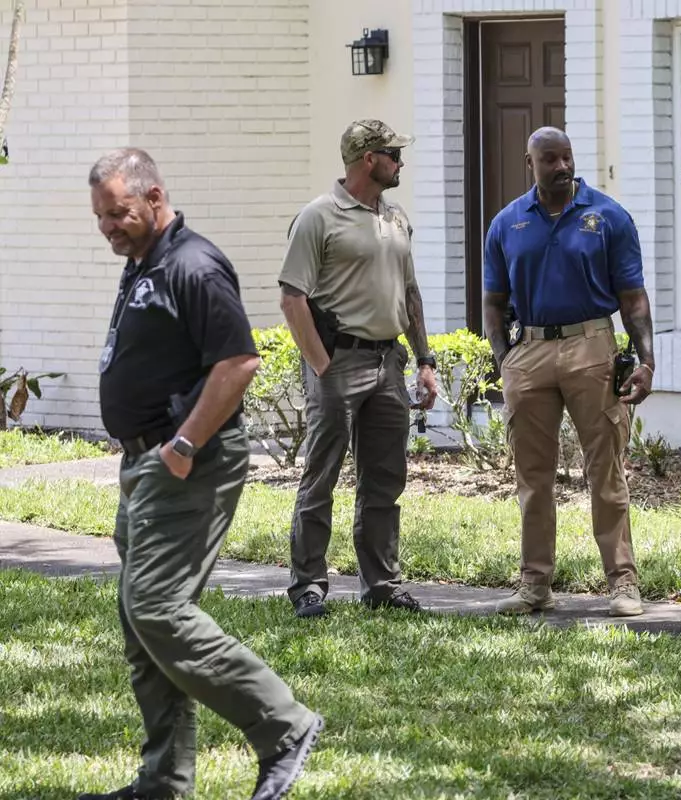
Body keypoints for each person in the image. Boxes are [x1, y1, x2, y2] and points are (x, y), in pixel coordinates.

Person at [83, 148, 323, 800]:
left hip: (189, 460)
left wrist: (184, 445)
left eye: (118, 213)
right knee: (141, 623)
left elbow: (239, 362)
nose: (108, 227)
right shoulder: (145, 263)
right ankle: (164, 780)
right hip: (145, 460)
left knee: (156, 606)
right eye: (100, 216)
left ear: (154, 197)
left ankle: (284, 726)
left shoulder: (194, 264)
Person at [482, 126, 656, 617]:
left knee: (605, 470)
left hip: (592, 345)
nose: (562, 167)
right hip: (530, 349)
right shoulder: (507, 223)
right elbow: (493, 301)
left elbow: (633, 298)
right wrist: (504, 358)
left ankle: (623, 583)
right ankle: (534, 583)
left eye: (567, 157)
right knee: (532, 475)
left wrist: (645, 360)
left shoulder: (608, 216)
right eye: (550, 159)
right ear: (530, 163)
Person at [279, 119, 438, 619]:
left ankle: (382, 586)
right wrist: (322, 366)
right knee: (321, 475)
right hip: (338, 362)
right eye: (393, 153)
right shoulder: (318, 217)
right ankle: (308, 586)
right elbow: (292, 298)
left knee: (384, 480)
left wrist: (425, 360)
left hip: (388, 362)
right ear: (369, 159)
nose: (401, 161)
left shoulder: (396, 217)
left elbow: (409, 293)